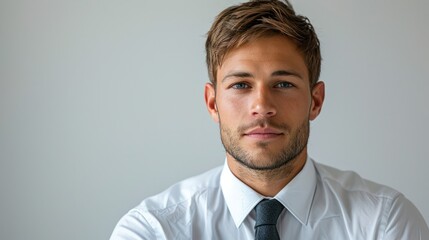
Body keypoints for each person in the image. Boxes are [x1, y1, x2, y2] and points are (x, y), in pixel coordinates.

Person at [110, 0, 429, 239]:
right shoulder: (153, 230)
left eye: (283, 84)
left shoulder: (385, 223)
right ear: (212, 103)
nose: (261, 106)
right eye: (240, 85)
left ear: (315, 101)